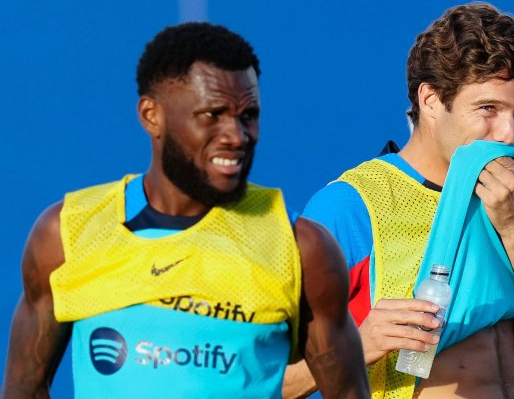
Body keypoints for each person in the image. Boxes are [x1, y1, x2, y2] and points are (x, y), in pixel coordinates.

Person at [1, 23, 369, 398]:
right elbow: (23, 390)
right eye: (212, 114)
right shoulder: (66, 233)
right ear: (151, 116)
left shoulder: (302, 250)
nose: (236, 136)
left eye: (248, 115)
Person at [283, 3, 514, 398]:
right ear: (430, 99)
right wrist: (357, 346)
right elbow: (264, 383)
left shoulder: (507, 199)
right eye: (488, 109)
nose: (508, 134)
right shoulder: (349, 206)